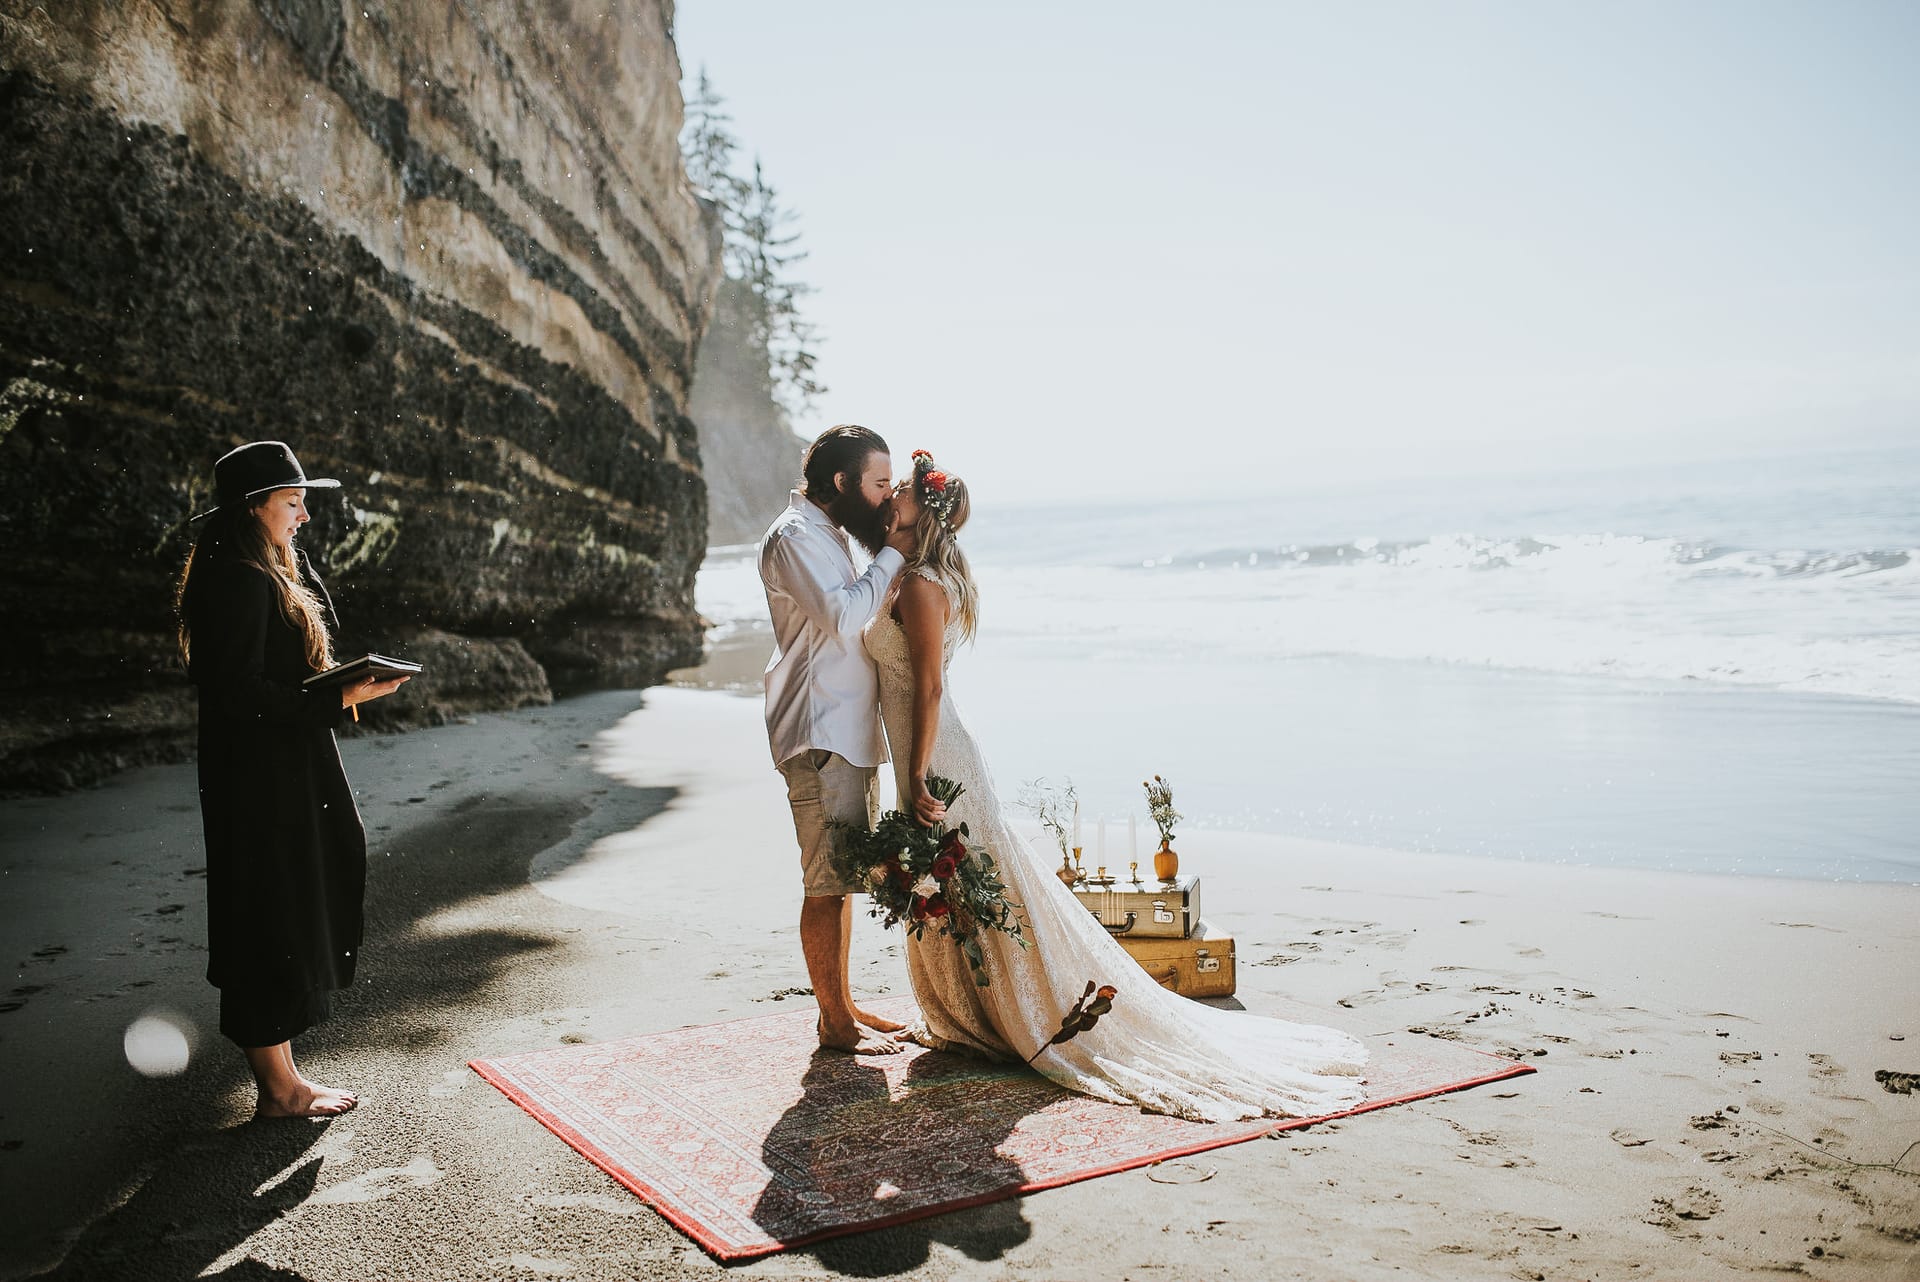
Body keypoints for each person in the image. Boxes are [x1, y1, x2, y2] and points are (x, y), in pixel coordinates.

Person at [864, 450, 1370, 1120]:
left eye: (898, 490)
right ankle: (975, 1014)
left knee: (964, 878)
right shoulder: (909, 573)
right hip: (925, 751)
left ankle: (1008, 1016)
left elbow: (928, 687)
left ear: (918, 514)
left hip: (936, 755)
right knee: (957, 882)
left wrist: (919, 772)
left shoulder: (924, 585)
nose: (888, 495)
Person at [175, 441, 409, 1117]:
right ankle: (278, 1090)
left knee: (278, 908)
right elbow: (239, 693)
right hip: (261, 776)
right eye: (291, 500)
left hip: (276, 766)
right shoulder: (241, 579)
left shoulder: (250, 568)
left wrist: (343, 687)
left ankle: (285, 1079)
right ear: (254, 507)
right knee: (267, 914)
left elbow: (260, 683)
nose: (303, 515)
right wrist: (338, 696)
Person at [758, 425, 918, 1054]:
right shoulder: (794, 537)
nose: (884, 497)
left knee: (842, 876)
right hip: (818, 727)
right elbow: (845, 616)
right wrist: (897, 553)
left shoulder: (827, 534)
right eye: (878, 484)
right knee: (824, 884)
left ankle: (843, 1006)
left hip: (844, 729)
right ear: (843, 483)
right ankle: (835, 1023)